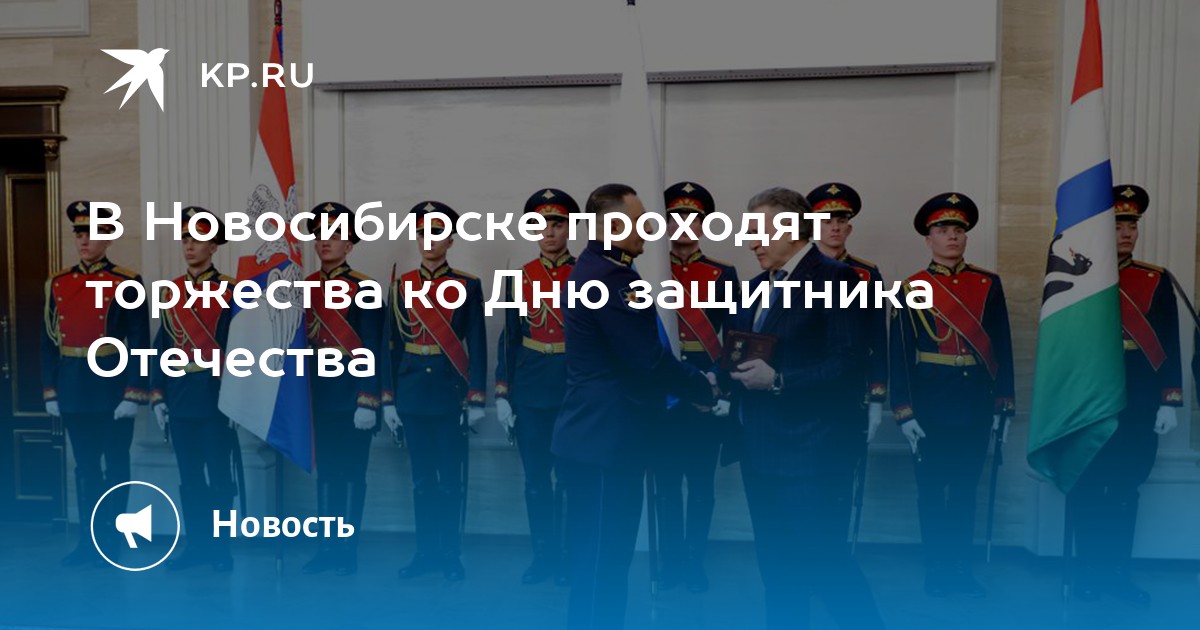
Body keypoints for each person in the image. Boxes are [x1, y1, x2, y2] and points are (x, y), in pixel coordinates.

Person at [553, 183, 716, 630]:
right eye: (640, 221)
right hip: (606, 442)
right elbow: (647, 361)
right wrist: (702, 388)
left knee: (598, 562)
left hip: (593, 437)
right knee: (603, 565)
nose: (649, 229)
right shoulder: (612, 279)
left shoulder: (595, 268)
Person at [723, 187, 884, 630]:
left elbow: (848, 363)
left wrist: (779, 381)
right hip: (759, 450)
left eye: (759, 231)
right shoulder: (756, 287)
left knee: (826, 564)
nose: (750, 242)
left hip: (812, 453)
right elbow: (739, 356)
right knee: (776, 570)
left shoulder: (838, 279)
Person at [889, 192, 1015, 598]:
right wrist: (904, 411)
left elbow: (1002, 346)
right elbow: (899, 355)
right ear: (929, 239)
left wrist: (1004, 403)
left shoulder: (987, 284)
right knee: (931, 491)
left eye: (958, 229)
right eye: (943, 229)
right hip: (930, 403)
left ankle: (961, 568)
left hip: (976, 402)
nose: (952, 236)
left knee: (964, 491)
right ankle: (936, 569)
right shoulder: (911, 287)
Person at [1067, 185, 1181, 606]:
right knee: (1087, 488)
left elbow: (1169, 342)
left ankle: (1116, 574)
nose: (1127, 232)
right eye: (1117, 225)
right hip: (1089, 400)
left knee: (1124, 491)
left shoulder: (1155, 279)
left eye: (1132, 225)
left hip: (1138, 400)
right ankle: (1085, 574)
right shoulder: (1077, 279)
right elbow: (1063, 348)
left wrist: (1169, 399)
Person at [382, 201, 487, 582]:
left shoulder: (468, 285)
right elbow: (389, 346)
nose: (429, 241)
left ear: (451, 241)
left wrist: (477, 396)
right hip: (411, 393)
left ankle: (450, 554)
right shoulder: (401, 285)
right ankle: (425, 553)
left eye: (437, 234)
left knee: (450, 482)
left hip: (449, 394)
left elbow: (478, 343)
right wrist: (388, 399)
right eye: (423, 233)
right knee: (422, 481)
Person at [42, 201, 150, 567]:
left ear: (109, 239)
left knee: (116, 464)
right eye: (79, 233)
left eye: (92, 234)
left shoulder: (127, 282)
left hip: (111, 386)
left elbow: (139, 341)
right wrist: (51, 389)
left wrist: (134, 392)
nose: (84, 241)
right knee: (85, 466)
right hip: (73, 385)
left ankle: (111, 541)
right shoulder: (57, 282)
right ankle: (88, 542)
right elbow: (47, 340)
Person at [654, 181, 739, 593]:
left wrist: (723, 388)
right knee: (666, 487)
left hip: (706, 392)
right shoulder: (651, 274)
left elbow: (735, 339)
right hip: (664, 393)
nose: (683, 225)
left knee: (702, 487)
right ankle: (670, 561)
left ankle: (694, 562)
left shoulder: (722, 274)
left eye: (693, 218)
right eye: (675, 217)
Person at [494, 188, 578, 586]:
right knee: (536, 479)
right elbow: (509, 338)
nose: (549, 232)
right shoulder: (518, 276)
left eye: (557, 224)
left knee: (571, 478)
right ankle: (543, 556)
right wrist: (503, 392)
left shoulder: (586, 274)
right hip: (529, 390)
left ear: (569, 228)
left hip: (574, 390)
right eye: (541, 225)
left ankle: (569, 556)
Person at [149, 206, 237, 572]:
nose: (189, 246)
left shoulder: (232, 290)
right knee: (189, 479)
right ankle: (197, 546)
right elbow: (162, 347)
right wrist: (157, 396)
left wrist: (238, 399)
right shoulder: (171, 291)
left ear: (213, 246)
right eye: (185, 239)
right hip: (181, 396)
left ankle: (220, 549)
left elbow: (241, 349)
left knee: (220, 478)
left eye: (197, 239)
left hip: (217, 397)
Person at [300, 202, 383, 576]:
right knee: (327, 474)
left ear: (349, 245)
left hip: (352, 398)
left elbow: (373, 348)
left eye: (334, 235)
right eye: (320, 235)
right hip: (317, 397)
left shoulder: (364, 288)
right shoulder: (302, 288)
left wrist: (368, 399)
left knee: (351, 474)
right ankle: (326, 549)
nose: (325, 241)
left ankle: (347, 551)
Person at [807, 183, 888, 442]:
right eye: (826, 221)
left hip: (852, 384)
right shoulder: (796, 272)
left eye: (841, 221)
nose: (835, 227)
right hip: (804, 383)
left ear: (849, 229)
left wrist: (877, 398)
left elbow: (878, 338)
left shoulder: (867, 274)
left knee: (848, 458)